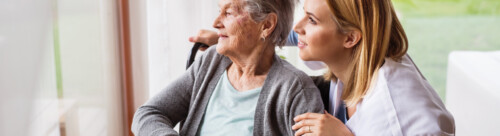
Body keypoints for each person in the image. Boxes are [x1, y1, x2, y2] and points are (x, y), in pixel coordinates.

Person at [189, 0, 456, 135]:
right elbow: (307, 31)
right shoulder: (361, 51)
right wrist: (238, 38)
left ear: (350, 38)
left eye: (311, 20)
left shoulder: (396, 111)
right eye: (303, 12)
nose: (297, 26)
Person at [131, 0, 325, 135]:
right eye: (219, 11)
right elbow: (148, 113)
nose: (216, 23)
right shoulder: (210, 62)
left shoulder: (295, 91)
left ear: (266, 25)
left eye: (229, 13)